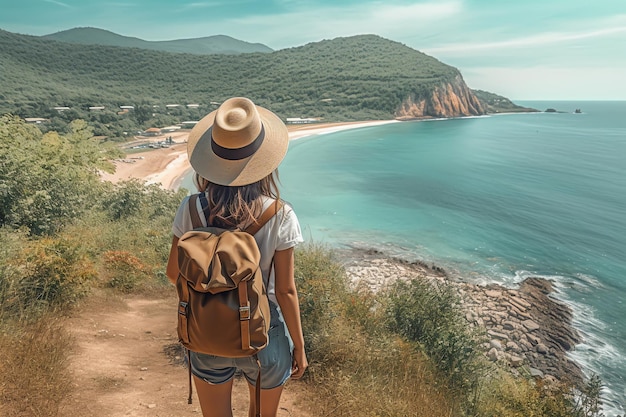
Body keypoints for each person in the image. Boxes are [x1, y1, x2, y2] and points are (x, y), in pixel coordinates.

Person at [166, 97, 308, 417]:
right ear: (263, 160)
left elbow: (174, 272)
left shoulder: (190, 208)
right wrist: (299, 346)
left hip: (207, 333)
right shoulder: (280, 214)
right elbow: (285, 291)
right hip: (264, 336)